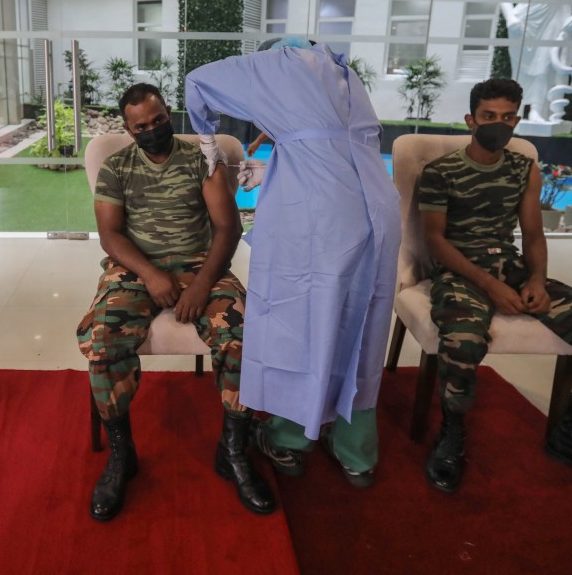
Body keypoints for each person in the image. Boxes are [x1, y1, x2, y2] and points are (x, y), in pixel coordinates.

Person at [184, 37, 401, 488]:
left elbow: (199, 82)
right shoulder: (342, 72)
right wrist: (270, 159)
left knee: (303, 322)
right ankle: (356, 452)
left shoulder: (278, 62)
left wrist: (210, 149)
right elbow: (324, 144)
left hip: (320, 215)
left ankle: (289, 438)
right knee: (360, 325)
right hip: (376, 206)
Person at [418, 77, 572, 504]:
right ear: (471, 119)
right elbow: (436, 241)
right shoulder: (441, 172)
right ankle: (453, 431)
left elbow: (534, 233)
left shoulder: (524, 168)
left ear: (516, 120)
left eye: (507, 118)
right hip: (461, 272)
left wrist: (536, 280)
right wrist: (491, 287)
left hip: (513, 267)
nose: (498, 125)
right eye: (488, 117)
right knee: (463, 341)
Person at [76, 82, 275, 521]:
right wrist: (150, 274)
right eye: (141, 126)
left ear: (170, 115)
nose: (152, 131)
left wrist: (203, 284)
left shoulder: (202, 160)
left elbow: (228, 228)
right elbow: (110, 234)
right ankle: (122, 455)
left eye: (159, 120)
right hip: (135, 269)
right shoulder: (117, 167)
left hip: (201, 266)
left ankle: (233, 450)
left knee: (246, 335)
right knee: (102, 338)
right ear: (129, 130)